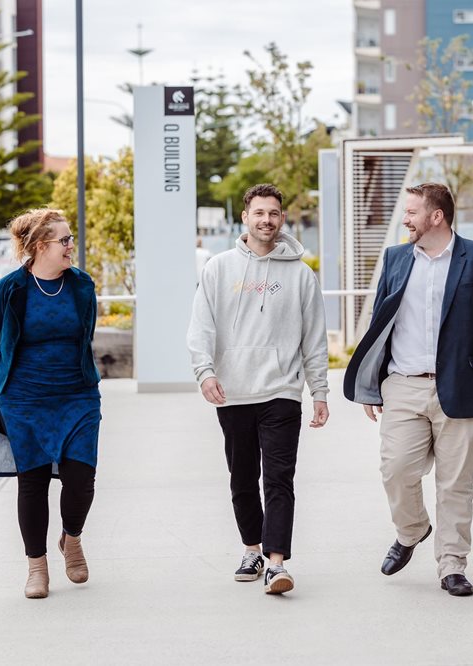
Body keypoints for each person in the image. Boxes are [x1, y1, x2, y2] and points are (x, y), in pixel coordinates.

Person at [343, 182, 473, 597]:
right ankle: (413, 529)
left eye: (412, 213)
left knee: (456, 484)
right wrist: (371, 385)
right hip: (403, 384)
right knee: (396, 470)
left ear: (435, 216)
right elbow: (380, 325)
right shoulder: (396, 258)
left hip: (464, 386)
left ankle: (452, 564)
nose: (405, 220)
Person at [187, 183, 329, 595]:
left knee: (280, 479)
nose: (266, 220)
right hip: (233, 392)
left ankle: (277, 563)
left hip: (282, 391)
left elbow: (314, 339)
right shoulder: (218, 268)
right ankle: (251, 548)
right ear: (245, 218)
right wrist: (205, 372)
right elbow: (201, 327)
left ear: (282, 219)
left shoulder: (302, 275)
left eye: (273, 213)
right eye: (259, 213)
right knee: (243, 478)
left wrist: (319, 392)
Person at [0, 208, 101, 599]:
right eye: (64, 240)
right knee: (32, 482)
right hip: (26, 399)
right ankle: (37, 567)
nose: (71, 246)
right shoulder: (8, 290)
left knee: (81, 478)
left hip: (78, 394)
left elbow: (86, 334)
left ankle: (72, 537)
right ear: (39, 246)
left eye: (70, 239)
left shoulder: (82, 286)